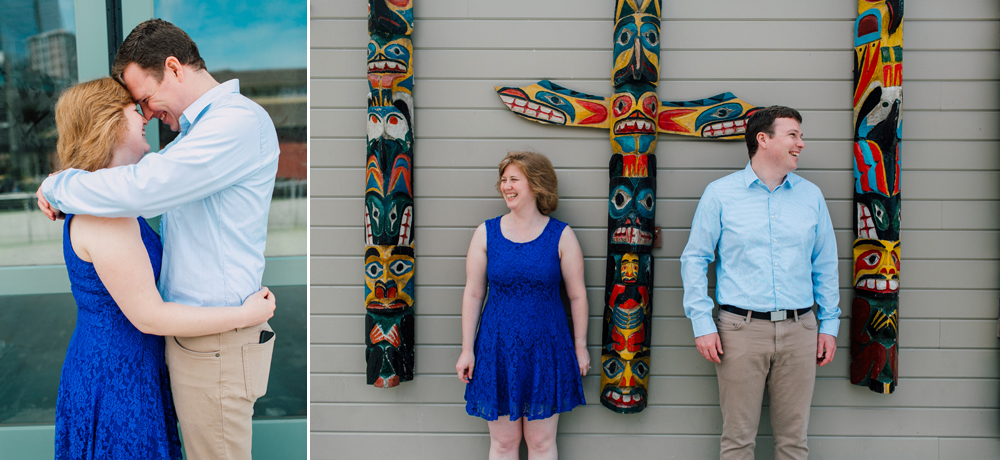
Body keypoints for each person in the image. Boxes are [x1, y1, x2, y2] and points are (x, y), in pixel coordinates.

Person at [36, 19, 280, 460]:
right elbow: (135, 182)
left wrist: (57, 184)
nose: (147, 114)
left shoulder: (234, 124)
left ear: (173, 67)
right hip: (169, 352)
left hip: (216, 346)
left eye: (145, 98)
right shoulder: (193, 138)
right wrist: (62, 180)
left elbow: (144, 185)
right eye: (138, 110)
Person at [680, 106, 840, 460]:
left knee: (794, 442)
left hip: (801, 331)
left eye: (800, 135)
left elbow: (825, 264)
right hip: (740, 331)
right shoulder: (720, 194)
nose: (802, 143)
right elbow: (695, 259)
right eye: (793, 135)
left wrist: (829, 324)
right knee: (738, 441)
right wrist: (701, 323)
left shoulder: (810, 196)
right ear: (763, 139)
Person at [456, 151, 589, 460]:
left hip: (547, 350)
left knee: (541, 443)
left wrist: (580, 346)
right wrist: (467, 349)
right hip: (497, 349)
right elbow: (474, 293)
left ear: (536, 184)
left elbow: (577, 295)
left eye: (514, 179)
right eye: (503, 180)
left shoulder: (561, 235)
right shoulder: (485, 233)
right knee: (503, 444)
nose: (506, 186)